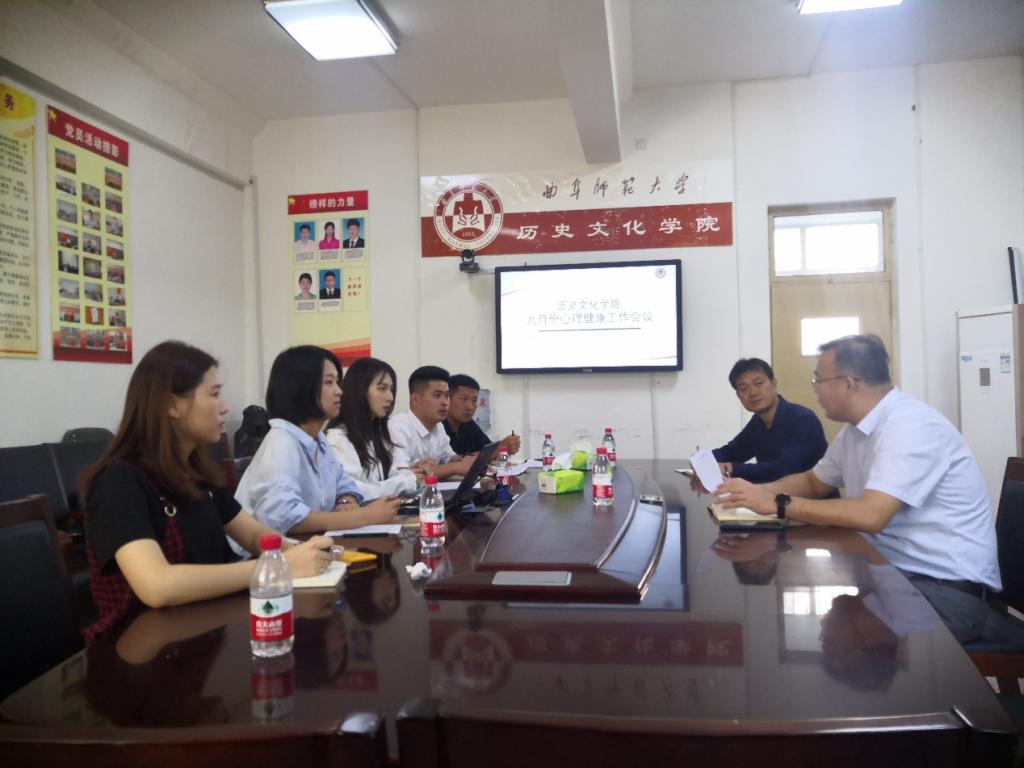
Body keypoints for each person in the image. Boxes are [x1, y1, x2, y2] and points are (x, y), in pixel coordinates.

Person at [716, 334, 1019, 647]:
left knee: (836, 625)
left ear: (847, 384)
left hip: (942, 590)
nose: (815, 390)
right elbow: (814, 481)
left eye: (818, 380)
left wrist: (778, 503)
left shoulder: (910, 426)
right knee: (822, 597)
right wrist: (753, 496)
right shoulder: (855, 431)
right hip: (893, 573)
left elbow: (871, 515)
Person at [79, 341, 334, 642]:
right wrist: (279, 565)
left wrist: (301, 552)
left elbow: (254, 535)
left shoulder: (197, 473)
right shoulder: (119, 481)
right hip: (137, 647)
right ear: (172, 405)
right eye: (214, 394)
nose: (224, 406)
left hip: (200, 633)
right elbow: (157, 586)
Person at [235, 345, 400, 541]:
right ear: (300, 388)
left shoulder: (318, 439)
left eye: (337, 382)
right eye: (329, 382)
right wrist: (363, 516)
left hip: (309, 543)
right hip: (266, 554)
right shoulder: (282, 442)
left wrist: (346, 500)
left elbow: (344, 483)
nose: (339, 391)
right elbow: (283, 517)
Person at [325, 357, 429, 500]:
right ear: (359, 390)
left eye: (391, 389)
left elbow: (383, 482)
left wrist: (411, 473)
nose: (390, 397)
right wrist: (403, 482)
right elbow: (350, 491)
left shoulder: (377, 434)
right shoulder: (338, 438)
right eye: (382, 389)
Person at [711, 358, 827, 482]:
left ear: (774, 383)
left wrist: (729, 468)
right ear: (739, 396)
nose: (753, 392)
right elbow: (732, 452)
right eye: (744, 388)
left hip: (809, 494)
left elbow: (782, 469)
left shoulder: (803, 420)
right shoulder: (757, 422)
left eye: (758, 383)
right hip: (774, 493)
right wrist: (702, 462)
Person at [388, 366, 476, 481]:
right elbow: (400, 477)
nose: (445, 402)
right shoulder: (398, 427)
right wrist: (455, 467)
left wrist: (463, 461)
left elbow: (448, 457)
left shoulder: (438, 425)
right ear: (415, 399)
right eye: (437, 395)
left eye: (447, 396)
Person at [444, 373, 520, 456]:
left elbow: (488, 451)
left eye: (474, 400)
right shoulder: (438, 427)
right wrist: (499, 449)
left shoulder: (469, 424)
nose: (470, 407)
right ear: (447, 399)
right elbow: (452, 462)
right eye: (464, 399)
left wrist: (506, 448)